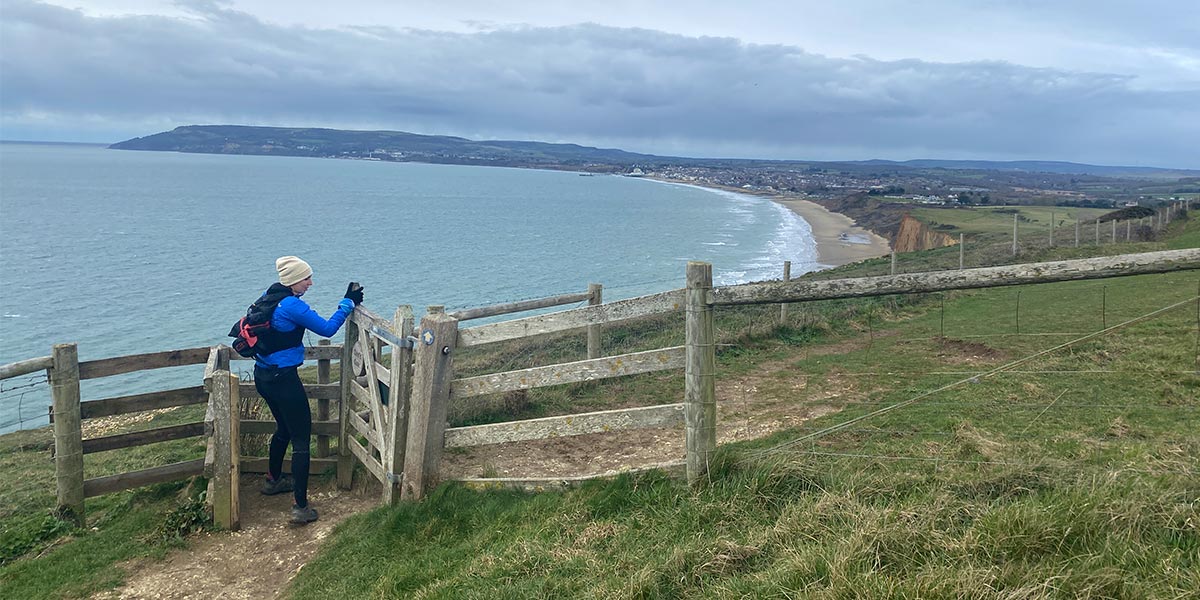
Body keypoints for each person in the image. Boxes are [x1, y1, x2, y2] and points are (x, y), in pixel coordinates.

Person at [254, 256, 364, 524]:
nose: (311, 283)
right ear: (293, 281)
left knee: (283, 428)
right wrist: (347, 303)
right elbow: (327, 328)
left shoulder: (269, 297)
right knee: (301, 438)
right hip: (284, 379)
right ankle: (300, 507)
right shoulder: (291, 306)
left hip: (263, 376)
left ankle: (273, 480)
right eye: (307, 278)